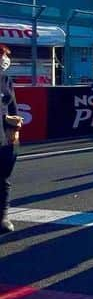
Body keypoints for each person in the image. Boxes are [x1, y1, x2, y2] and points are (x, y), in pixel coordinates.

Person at [0, 46, 24, 233]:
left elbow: (13, 108)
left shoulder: (6, 80)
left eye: (5, 56)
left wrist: (15, 128)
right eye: (2, 56)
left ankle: (3, 216)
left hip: (5, 138)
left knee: (3, 179)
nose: (4, 59)